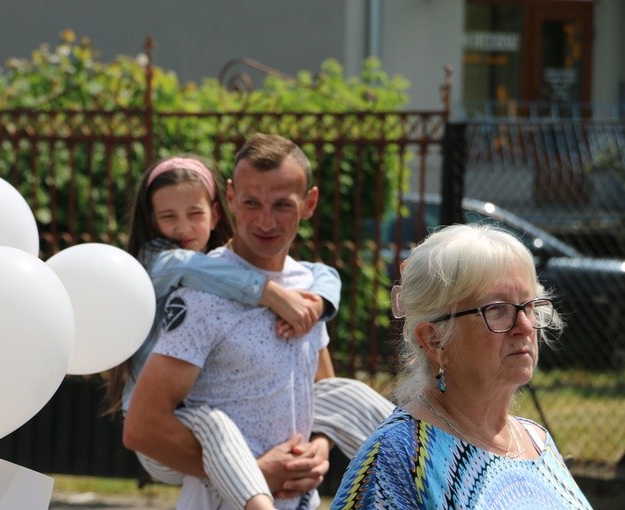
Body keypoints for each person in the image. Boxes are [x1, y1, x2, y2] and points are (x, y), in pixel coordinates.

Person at [109, 154, 393, 509]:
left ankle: (435, 484)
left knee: (349, 394)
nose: (183, 228)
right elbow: (144, 427)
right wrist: (271, 294)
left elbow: (320, 391)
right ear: (230, 201)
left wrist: (316, 450)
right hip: (181, 432)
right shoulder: (174, 267)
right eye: (168, 217)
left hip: (289, 489)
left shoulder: (300, 283)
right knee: (213, 424)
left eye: (194, 214)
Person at [330, 224, 592, 509]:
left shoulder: (536, 441)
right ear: (434, 339)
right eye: (496, 309)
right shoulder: (398, 457)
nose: (525, 326)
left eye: (528, 306)